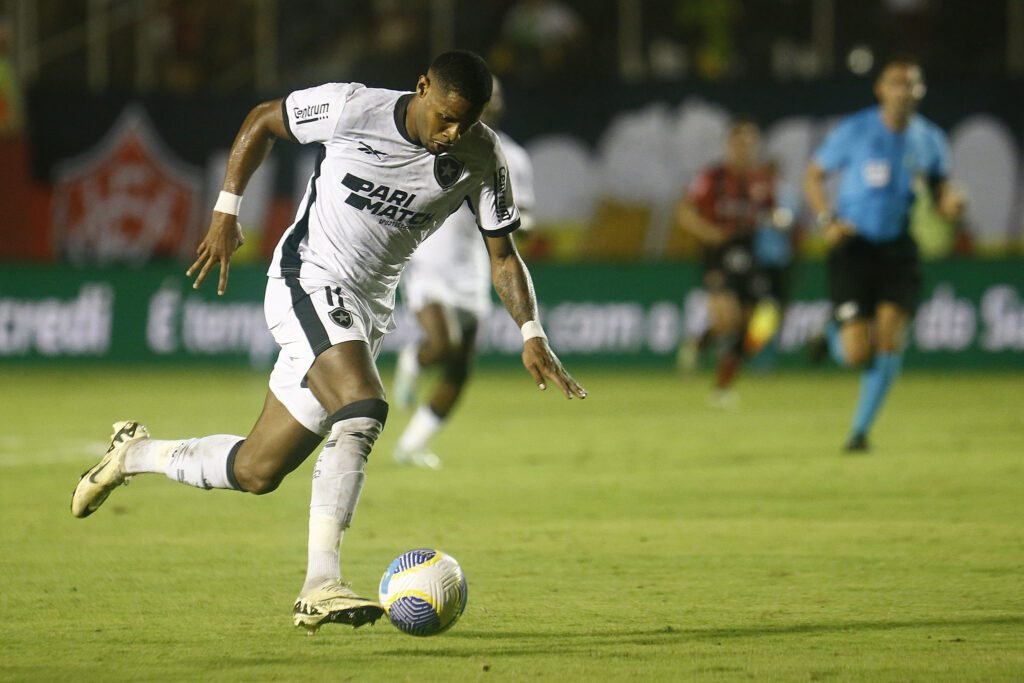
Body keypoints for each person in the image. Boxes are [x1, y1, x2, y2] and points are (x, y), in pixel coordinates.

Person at [71, 50, 586, 632]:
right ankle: (321, 584)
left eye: (466, 123)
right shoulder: (351, 108)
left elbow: (504, 255)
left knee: (257, 469)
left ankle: (132, 455)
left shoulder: (482, 154)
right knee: (362, 407)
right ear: (422, 87)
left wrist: (531, 331)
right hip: (309, 278)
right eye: (446, 117)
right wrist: (226, 211)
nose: (452, 133)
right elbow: (263, 120)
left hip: (367, 308)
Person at [804, 57, 963, 453]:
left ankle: (859, 433)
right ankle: (831, 331)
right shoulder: (856, 129)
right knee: (856, 353)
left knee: (889, 336)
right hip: (854, 246)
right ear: (880, 90)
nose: (903, 91)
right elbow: (813, 176)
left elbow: (940, 189)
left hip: (898, 248)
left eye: (911, 84)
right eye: (896, 83)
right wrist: (826, 220)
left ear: (920, 92)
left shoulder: (930, 139)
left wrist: (950, 204)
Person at [392, 76, 535, 469]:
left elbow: (524, 216)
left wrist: (518, 223)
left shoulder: (513, 157)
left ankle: (412, 445)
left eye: (491, 100)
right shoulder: (434, 143)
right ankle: (413, 360)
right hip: (429, 258)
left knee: (460, 369)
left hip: (472, 267)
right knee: (443, 343)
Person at [674, 117, 778, 408]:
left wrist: (777, 220)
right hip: (718, 253)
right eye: (740, 143)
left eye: (751, 143)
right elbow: (685, 212)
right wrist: (708, 232)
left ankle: (717, 374)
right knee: (728, 320)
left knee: (754, 321)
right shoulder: (712, 177)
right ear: (730, 145)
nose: (746, 149)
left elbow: (769, 211)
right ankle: (705, 354)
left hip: (748, 251)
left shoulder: (761, 180)